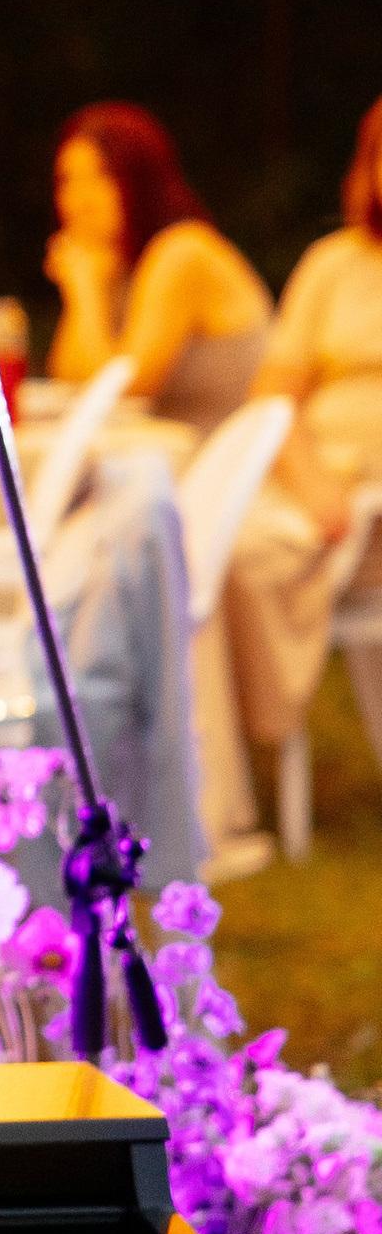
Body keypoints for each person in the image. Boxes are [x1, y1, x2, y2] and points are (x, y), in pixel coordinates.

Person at [224, 97, 382, 753]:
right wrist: (310, 479)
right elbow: (275, 395)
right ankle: (214, 759)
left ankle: (253, 733)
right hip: (307, 487)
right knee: (198, 554)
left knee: (238, 562)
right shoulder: (333, 264)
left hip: (371, 511)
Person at [44, 103, 271, 431]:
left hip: (227, 467)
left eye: (101, 177)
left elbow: (118, 392)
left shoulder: (182, 251)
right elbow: (67, 377)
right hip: (166, 463)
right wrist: (89, 286)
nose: (80, 201)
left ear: (140, 181)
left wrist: (84, 290)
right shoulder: (114, 266)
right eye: (68, 181)